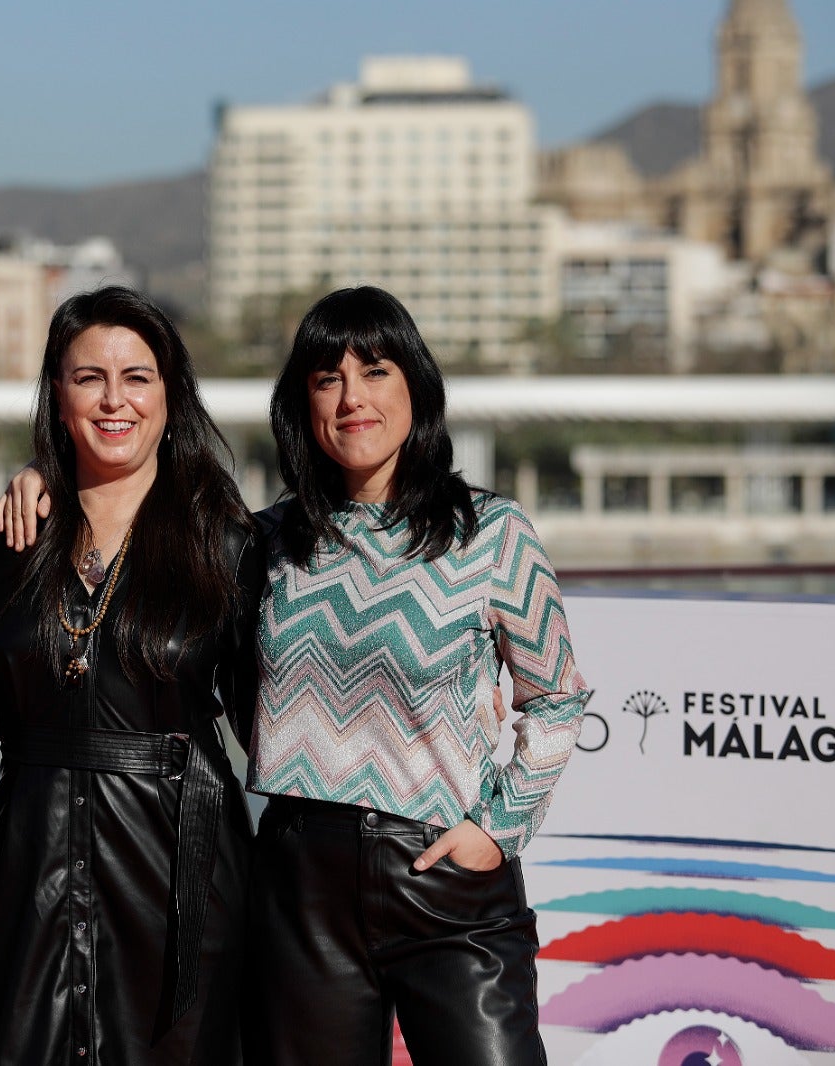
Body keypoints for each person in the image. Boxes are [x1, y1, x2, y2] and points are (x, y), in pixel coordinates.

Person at [244, 286, 591, 1066]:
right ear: (302, 403)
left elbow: (559, 698)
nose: (352, 397)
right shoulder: (266, 541)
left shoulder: (493, 532)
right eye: (326, 379)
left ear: (416, 388)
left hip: (446, 878)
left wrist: (496, 832)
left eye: (375, 370)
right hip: (302, 886)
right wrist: (47, 479)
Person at [0, 286, 263, 1065]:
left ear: (170, 394)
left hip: (179, 871)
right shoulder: (11, 536)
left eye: (138, 377)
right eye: (89, 378)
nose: (114, 399)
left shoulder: (224, 542)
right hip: (33, 868)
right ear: (58, 394)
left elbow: (276, 720)